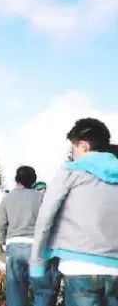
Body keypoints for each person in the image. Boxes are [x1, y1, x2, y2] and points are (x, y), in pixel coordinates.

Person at [30, 118, 118, 306]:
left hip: (80, 267)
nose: (73, 154)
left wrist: (37, 262)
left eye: (73, 148)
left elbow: (46, 217)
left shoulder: (70, 173)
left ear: (83, 145)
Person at [0, 166, 57, 306]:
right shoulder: (41, 198)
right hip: (36, 247)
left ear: (16, 180)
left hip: (13, 246)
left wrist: (4, 243)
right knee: (42, 290)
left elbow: (0, 224)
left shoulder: (7, 198)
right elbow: (50, 222)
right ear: (33, 180)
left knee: (15, 291)